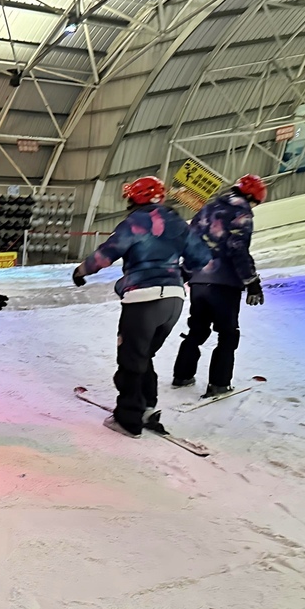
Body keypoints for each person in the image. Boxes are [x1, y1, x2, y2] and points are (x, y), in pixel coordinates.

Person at [72, 176, 211, 438]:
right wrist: (180, 274)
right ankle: (147, 407)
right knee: (144, 355)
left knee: (131, 359)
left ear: (135, 198)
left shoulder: (135, 222)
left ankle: (128, 419)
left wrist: (81, 271)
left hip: (143, 299)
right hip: (174, 299)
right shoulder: (178, 223)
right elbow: (202, 256)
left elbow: (107, 253)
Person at [172, 175, 267, 397]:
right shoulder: (241, 212)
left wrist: (187, 272)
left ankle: (182, 376)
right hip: (224, 283)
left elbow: (190, 243)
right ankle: (219, 383)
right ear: (253, 198)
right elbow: (237, 248)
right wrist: (252, 281)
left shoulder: (208, 208)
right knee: (227, 334)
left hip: (198, 280)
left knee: (197, 330)